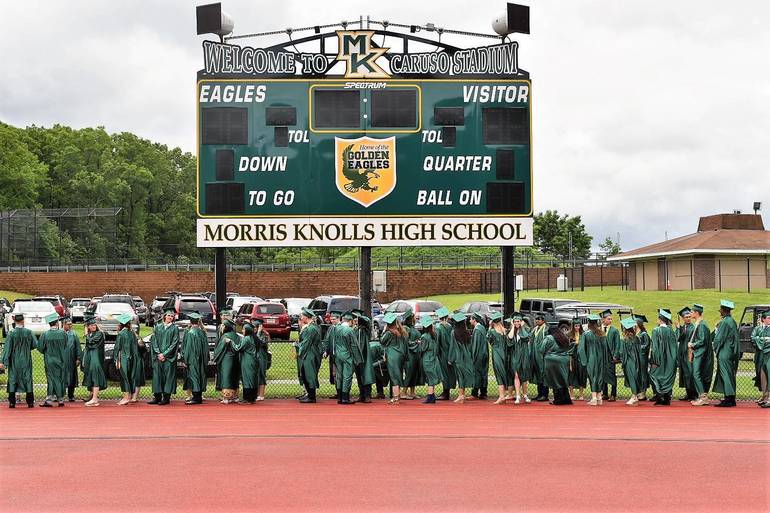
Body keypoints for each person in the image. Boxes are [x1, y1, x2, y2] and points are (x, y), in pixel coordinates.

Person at [1, 313, 36, 408]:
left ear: (15, 321)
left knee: (13, 378)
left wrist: (3, 361)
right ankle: (30, 402)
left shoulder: (11, 333)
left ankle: (12, 402)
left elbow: (7, 349)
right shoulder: (29, 332)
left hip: (14, 360)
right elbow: (34, 345)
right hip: (26, 359)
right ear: (23, 320)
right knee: (27, 378)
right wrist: (26, 348)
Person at [712, 300, 740, 407]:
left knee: (725, 374)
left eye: (721, 310)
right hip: (731, 351)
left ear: (724, 311)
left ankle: (728, 398)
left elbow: (719, 339)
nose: (720, 312)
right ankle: (731, 398)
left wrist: (715, 348)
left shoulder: (724, 322)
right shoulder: (732, 321)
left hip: (724, 351)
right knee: (730, 374)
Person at [149, 309, 179, 405]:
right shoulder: (158, 327)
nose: (170, 317)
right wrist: (159, 353)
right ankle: (157, 397)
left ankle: (166, 398)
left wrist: (164, 354)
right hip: (158, 357)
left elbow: (174, 343)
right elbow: (154, 341)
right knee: (157, 377)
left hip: (168, 358)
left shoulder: (175, 329)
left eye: (172, 316)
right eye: (168, 315)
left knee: (168, 377)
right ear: (164, 316)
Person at [37, 313, 68, 407]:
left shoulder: (45, 335)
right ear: (57, 323)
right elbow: (65, 344)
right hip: (61, 359)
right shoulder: (63, 333)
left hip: (50, 359)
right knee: (60, 378)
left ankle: (49, 400)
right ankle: (60, 399)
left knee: (51, 379)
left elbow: (40, 348)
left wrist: (47, 352)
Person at [649, 309, 678, 406]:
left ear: (660, 320)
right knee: (667, 376)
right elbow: (674, 346)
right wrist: (673, 359)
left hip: (659, 359)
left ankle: (659, 397)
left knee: (655, 375)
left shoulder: (656, 331)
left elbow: (655, 348)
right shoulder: (671, 331)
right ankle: (667, 398)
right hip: (670, 359)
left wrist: (654, 360)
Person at [688, 304, 714, 406]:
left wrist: (692, 344)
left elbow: (702, 340)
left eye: (692, 312)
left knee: (696, 374)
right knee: (698, 374)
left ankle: (703, 397)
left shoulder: (702, 325)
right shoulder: (699, 323)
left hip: (701, 353)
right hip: (700, 353)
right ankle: (702, 396)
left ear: (697, 313)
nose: (690, 313)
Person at [578, 314, 607, 406]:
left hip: (591, 358)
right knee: (599, 376)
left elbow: (581, 349)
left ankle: (594, 398)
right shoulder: (602, 334)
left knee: (592, 376)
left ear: (589, 323)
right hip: (601, 358)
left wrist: (583, 360)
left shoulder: (586, 334)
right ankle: (599, 397)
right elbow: (605, 348)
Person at [181, 312, 208, 405]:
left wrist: (185, 360)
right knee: (200, 376)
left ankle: (196, 398)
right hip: (201, 359)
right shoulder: (202, 332)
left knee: (194, 377)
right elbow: (206, 348)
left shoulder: (190, 333)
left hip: (192, 359)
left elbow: (188, 348)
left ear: (190, 322)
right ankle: (198, 396)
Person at [380, 312, 407, 404]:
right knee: (398, 374)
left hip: (392, 355)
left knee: (394, 376)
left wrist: (384, 331)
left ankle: (395, 398)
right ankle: (397, 396)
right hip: (400, 356)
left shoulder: (389, 333)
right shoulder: (402, 331)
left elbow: (382, 341)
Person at [330, 312, 357, 404]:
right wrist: (357, 357)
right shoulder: (349, 330)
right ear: (350, 321)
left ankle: (339, 397)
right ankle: (345, 398)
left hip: (337, 354)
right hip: (347, 355)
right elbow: (354, 345)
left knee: (339, 375)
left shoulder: (336, 328)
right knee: (347, 376)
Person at [543, 324, 573, 406]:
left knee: (554, 380)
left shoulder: (549, 338)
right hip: (564, 360)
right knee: (562, 379)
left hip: (552, 360)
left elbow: (541, 349)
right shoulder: (564, 337)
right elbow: (568, 349)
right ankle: (566, 399)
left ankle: (558, 399)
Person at [297, 307, 322, 403]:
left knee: (309, 374)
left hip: (310, 353)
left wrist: (298, 348)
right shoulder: (312, 327)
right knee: (305, 374)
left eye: (302, 316)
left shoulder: (310, 329)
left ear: (306, 317)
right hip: (310, 352)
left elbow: (305, 343)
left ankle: (311, 396)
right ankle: (309, 394)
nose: (301, 318)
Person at [486, 312, 512, 404]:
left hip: (497, 354)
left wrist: (489, 327)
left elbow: (488, 339)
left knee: (499, 375)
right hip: (504, 354)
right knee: (504, 373)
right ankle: (504, 395)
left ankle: (501, 397)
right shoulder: (504, 331)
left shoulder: (492, 331)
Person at [213, 318, 240, 404]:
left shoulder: (225, 336)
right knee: (233, 376)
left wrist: (215, 356)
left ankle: (226, 398)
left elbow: (219, 349)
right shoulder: (236, 335)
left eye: (223, 326)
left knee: (226, 377)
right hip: (235, 359)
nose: (222, 327)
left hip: (226, 359)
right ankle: (234, 396)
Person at [82, 317, 107, 407]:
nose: (93, 326)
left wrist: (86, 334)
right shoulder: (91, 334)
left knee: (95, 376)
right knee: (92, 377)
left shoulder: (99, 334)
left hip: (96, 359)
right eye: (91, 325)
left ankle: (95, 398)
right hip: (91, 358)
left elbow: (91, 343)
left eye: (94, 325)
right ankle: (94, 398)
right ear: (88, 326)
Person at [232, 320, 259, 404]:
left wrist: (231, 342)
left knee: (247, 379)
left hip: (247, 361)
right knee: (252, 379)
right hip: (253, 361)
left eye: (243, 329)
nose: (242, 331)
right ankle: (252, 397)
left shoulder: (246, 339)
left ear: (247, 330)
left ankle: (247, 398)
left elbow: (238, 348)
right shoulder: (253, 338)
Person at [619, 318, 644, 406]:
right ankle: (635, 396)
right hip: (637, 361)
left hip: (629, 362)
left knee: (632, 378)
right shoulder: (636, 338)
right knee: (635, 378)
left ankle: (634, 396)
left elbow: (621, 352)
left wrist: (622, 360)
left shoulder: (624, 340)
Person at [114, 314, 138, 406]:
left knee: (124, 378)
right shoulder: (132, 333)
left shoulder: (121, 334)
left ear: (121, 324)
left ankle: (126, 397)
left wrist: (116, 359)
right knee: (130, 377)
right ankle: (129, 396)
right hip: (132, 358)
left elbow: (117, 347)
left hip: (123, 357)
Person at [450, 312, 474, 404]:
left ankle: (461, 396)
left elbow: (452, 347)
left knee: (460, 376)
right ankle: (462, 395)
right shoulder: (467, 333)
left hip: (458, 357)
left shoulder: (453, 333)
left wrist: (450, 359)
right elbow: (470, 347)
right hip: (466, 357)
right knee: (463, 375)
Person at [507, 315, 531, 404]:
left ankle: (525, 394)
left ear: (521, 322)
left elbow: (525, 337)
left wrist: (522, 327)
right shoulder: (512, 331)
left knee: (524, 376)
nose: (517, 323)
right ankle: (517, 395)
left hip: (524, 355)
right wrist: (513, 327)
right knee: (516, 375)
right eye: (515, 322)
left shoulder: (526, 330)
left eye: (518, 321)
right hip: (515, 355)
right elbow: (510, 338)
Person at [418, 315, 442, 404]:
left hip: (427, 358)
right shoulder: (434, 334)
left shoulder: (424, 336)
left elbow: (423, 348)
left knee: (430, 377)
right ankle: (432, 395)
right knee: (432, 376)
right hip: (434, 357)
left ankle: (430, 396)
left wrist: (420, 343)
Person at [352, 310, 374, 403]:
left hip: (365, 355)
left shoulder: (365, 330)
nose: (355, 321)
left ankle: (367, 395)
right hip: (356, 356)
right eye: (354, 319)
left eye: (357, 319)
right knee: (359, 375)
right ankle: (361, 395)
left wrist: (359, 317)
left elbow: (367, 321)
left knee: (366, 374)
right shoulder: (354, 330)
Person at [675, 307, 697, 401]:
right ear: (683, 318)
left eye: (689, 316)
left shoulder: (693, 328)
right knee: (685, 374)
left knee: (690, 373)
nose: (688, 318)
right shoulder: (682, 327)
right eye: (686, 317)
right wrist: (678, 328)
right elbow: (677, 338)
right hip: (682, 354)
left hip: (690, 354)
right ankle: (688, 393)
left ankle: (694, 394)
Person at [434, 307, 455, 400]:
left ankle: (445, 393)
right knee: (449, 373)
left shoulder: (438, 328)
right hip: (450, 352)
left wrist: (435, 353)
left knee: (444, 373)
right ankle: (446, 392)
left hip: (442, 353)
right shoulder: (450, 327)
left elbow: (437, 342)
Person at [402, 308, 422, 400]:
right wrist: (416, 343)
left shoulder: (413, 328)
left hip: (416, 354)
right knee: (409, 373)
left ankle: (412, 392)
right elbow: (406, 342)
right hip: (410, 354)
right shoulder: (406, 328)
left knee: (414, 373)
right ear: (410, 319)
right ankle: (403, 392)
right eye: (414, 317)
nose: (415, 319)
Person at [751, 310, 770, 408]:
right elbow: (753, 338)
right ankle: (765, 396)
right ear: (763, 319)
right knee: (762, 376)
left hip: (769, 355)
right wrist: (764, 340)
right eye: (768, 318)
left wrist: (760, 340)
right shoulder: (758, 328)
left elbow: (758, 339)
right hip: (760, 356)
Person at [601, 309, 620, 402]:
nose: (610, 320)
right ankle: (604, 393)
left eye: (611, 319)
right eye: (609, 319)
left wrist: (615, 355)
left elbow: (617, 344)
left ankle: (613, 394)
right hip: (601, 357)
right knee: (602, 374)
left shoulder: (614, 330)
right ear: (603, 319)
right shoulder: (599, 330)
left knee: (612, 375)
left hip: (611, 357)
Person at [469, 312, 489, 400]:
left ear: (474, 320)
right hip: (484, 354)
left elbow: (475, 345)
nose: (469, 321)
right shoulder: (482, 328)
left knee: (477, 373)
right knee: (483, 373)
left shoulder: (477, 330)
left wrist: (473, 356)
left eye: (470, 319)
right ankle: (483, 392)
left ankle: (475, 393)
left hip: (479, 355)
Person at [62, 317, 82, 402]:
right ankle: (60, 395)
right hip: (61, 359)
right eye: (68, 324)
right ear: (64, 324)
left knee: (71, 377)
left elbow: (78, 347)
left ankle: (71, 395)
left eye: (71, 324)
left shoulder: (74, 334)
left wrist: (78, 358)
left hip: (71, 359)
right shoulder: (59, 333)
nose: (70, 326)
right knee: (61, 377)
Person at [530, 314, 550, 401]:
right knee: (538, 373)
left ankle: (545, 395)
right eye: (536, 319)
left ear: (543, 320)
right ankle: (539, 394)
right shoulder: (535, 329)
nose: (537, 321)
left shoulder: (546, 329)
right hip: (535, 355)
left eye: (539, 319)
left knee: (544, 374)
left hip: (542, 355)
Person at [322, 311, 341, 399]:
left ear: (339, 319)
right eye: (331, 319)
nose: (332, 321)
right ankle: (338, 392)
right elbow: (326, 340)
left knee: (341, 374)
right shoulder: (330, 328)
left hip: (340, 356)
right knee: (334, 374)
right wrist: (325, 351)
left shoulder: (342, 328)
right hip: (333, 356)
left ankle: (343, 392)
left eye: (334, 319)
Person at [568, 319, 587, 401]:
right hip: (572, 357)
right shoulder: (569, 335)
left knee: (582, 375)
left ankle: (581, 394)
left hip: (581, 357)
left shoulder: (583, 334)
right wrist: (574, 344)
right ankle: (571, 394)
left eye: (579, 326)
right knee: (571, 375)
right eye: (576, 326)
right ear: (573, 326)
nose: (577, 328)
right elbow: (568, 348)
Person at [634, 315, 651, 401]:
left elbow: (646, 345)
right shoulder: (634, 333)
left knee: (642, 374)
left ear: (638, 324)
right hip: (636, 357)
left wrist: (637, 348)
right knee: (637, 374)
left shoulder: (644, 334)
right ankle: (637, 391)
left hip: (642, 358)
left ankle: (642, 392)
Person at [254, 319, 270, 401]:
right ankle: (256, 394)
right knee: (256, 375)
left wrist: (259, 332)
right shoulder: (254, 334)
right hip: (255, 357)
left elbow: (260, 343)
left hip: (262, 357)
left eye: (255, 327)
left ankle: (261, 395)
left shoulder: (264, 335)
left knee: (261, 375)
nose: (253, 329)